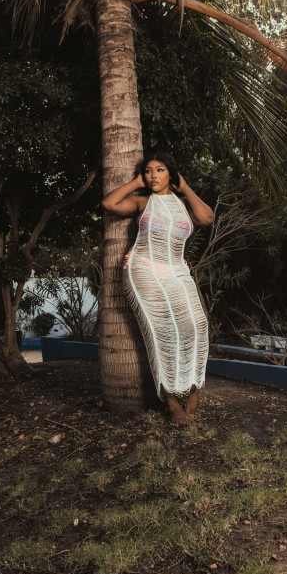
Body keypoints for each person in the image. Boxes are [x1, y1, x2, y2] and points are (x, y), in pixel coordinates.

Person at [102, 152, 214, 425]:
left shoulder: (184, 203)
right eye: (148, 171)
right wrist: (136, 181)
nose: (153, 175)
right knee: (160, 330)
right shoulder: (142, 201)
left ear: (171, 175)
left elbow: (207, 218)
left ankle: (194, 391)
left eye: (160, 170)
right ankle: (172, 402)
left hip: (177, 270)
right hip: (144, 268)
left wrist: (185, 186)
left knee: (197, 326)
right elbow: (109, 203)